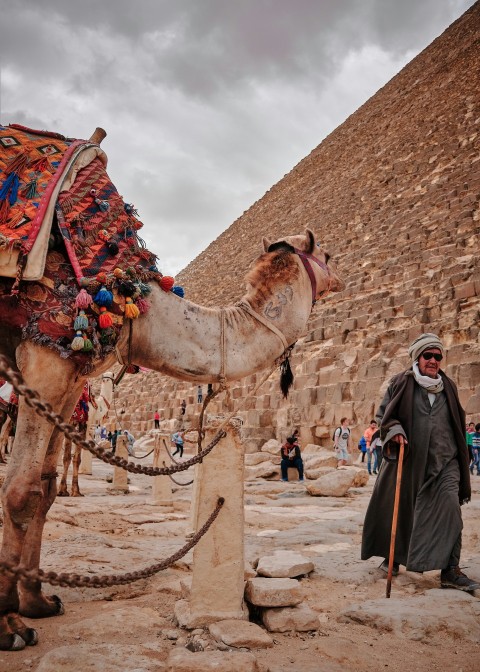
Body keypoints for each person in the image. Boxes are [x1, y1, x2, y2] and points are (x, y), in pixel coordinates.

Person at [361, 333, 479, 591]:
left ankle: (450, 570)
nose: (434, 360)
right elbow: (385, 417)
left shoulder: (448, 385)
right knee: (400, 509)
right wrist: (396, 432)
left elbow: (456, 423)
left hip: (445, 462)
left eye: (438, 356)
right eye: (428, 355)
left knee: (451, 508)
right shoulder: (401, 383)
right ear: (417, 356)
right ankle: (392, 559)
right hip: (411, 460)